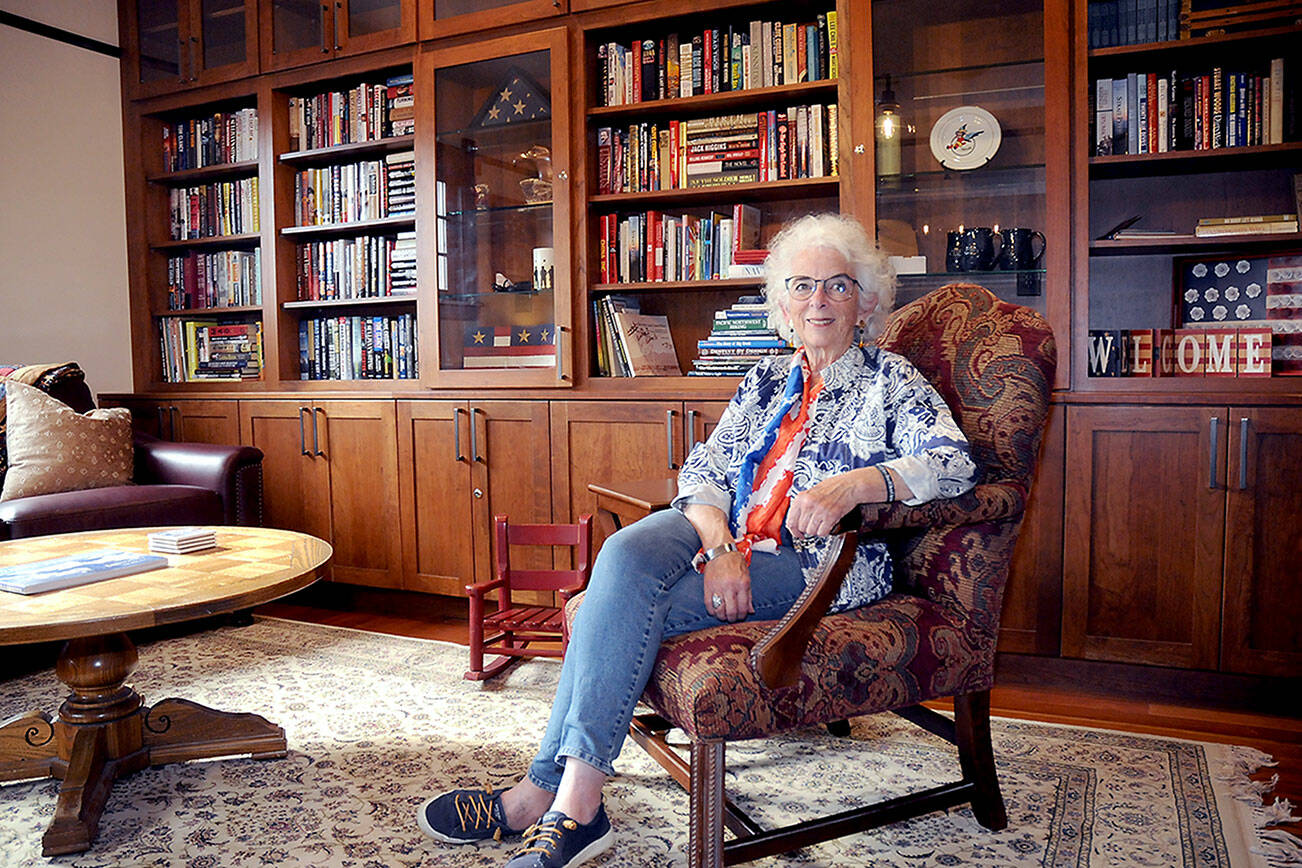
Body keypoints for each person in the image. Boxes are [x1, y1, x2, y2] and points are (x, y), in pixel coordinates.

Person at [416, 213, 978, 868]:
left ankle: (555, 800)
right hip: (730, 533)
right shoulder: (766, 378)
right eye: (802, 286)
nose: (818, 301)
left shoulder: (891, 379)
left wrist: (857, 484)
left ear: (868, 301)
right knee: (622, 555)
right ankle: (562, 801)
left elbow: (954, 463)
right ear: (784, 303)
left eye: (838, 285)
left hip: (813, 562)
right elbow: (707, 471)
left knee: (612, 605)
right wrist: (718, 548)